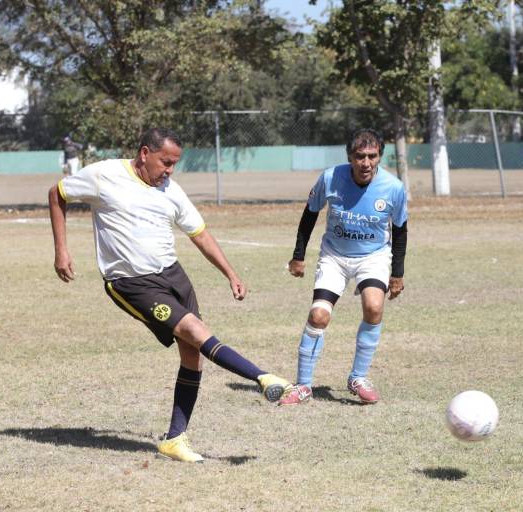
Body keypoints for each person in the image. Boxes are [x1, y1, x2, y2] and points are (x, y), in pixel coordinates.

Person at [48, 128, 290, 462]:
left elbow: (199, 234)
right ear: (145, 153)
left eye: (175, 164)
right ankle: (261, 377)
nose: (170, 170)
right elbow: (57, 193)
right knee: (195, 331)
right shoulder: (105, 175)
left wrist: (230, 273)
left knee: (193, 355)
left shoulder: (170, 190)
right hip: (131, 282)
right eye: (166, 162)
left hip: (173, 275)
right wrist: (62, 249)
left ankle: (175, 439)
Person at [279, 128, 408, 406]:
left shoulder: (394, 188)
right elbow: (310, 214)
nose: (366, 163)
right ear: (349, 156)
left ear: (380, 157)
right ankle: (303, 385)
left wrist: (397, 273)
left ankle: (358, 378)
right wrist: (298, 256)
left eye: (372, 156)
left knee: (374, 306)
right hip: (334, 257)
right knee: (318, 316)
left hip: (373, 257)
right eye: (359, 156)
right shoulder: (330, 178)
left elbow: (400, 231)